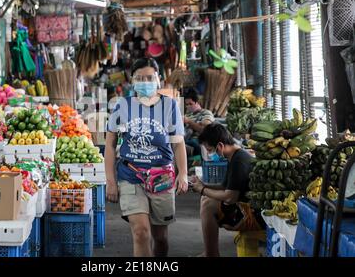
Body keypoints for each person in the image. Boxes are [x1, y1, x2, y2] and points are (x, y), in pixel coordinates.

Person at [105, 57, 189, 257]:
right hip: (130, 175)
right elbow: (110, 145)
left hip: (162, 178)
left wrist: (183, 173)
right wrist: (111, 181)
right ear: (132, 80)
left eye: (149, 77)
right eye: (139, 78)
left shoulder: (170, 106)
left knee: (160, 238)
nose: (145, 82)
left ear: (158, 78)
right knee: (141, 232)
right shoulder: (121, 106)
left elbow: (178, 144)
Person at [190, 123, 262, 257]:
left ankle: (211, 254)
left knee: (208, 205)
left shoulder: (239, 160)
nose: (210, 154)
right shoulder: (234, 156)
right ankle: (210, 252)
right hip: (245, 204)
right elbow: (224, 186)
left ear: (220, 146)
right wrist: (201, 185)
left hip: (253, 213)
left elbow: (230, 197)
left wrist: (202, 189)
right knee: (206, 198)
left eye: (210, 150)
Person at [183, 89, 214, 156]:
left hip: (198, 142)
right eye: (186, 104)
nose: (188, 106)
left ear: (197, 102)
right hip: (186, 139)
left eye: (190, 104)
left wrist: (189, 122)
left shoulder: (206, 113)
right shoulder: (188, 115)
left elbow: (206, 130)